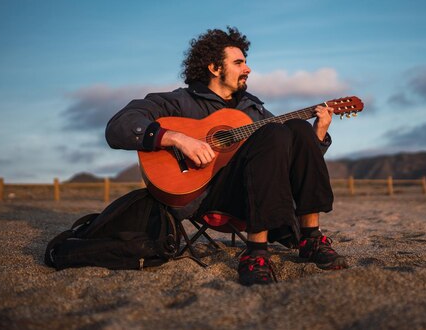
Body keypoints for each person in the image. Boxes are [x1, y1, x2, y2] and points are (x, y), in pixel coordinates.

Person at [105, 26, 347, 285]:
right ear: (214, 68)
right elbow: (119, 125)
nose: (248, 69)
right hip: (207, 194)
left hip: (255, 191)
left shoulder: (253, 109)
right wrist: (178, 138)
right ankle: (255, 254)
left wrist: (317, 136)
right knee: (275, 133)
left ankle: (310, 238)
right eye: (239, 62)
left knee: (297, 128)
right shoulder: (181, 102)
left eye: (246, 62)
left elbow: (292, 161)